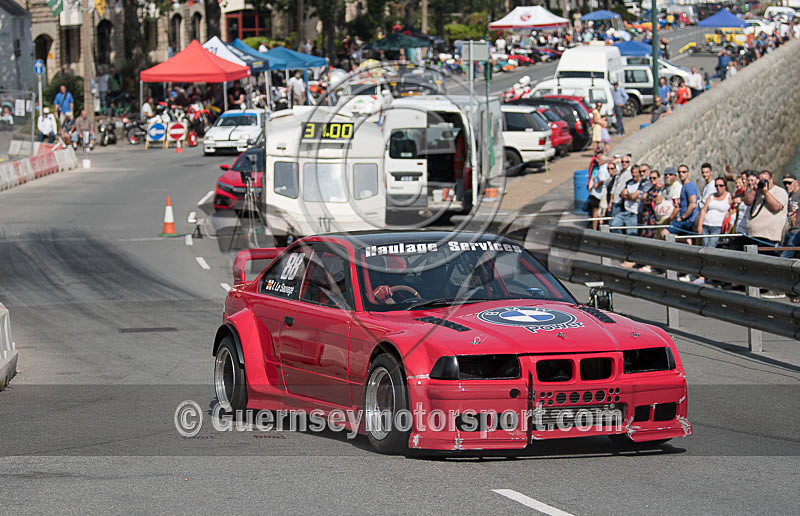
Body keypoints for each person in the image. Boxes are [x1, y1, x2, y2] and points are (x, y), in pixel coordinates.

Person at [745, 170, 788, 298]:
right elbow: (747, 201)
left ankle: (774, 289)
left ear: (771, 180)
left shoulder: (779, 192)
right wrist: (755, 189)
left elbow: (776, 207)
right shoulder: (757, 191)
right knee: (756, 264)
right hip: (753, 234)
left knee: (769, 263)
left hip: (769, 236)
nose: (763, 182)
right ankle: (760, 287)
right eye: (761, 179)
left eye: (765, 180)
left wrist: (765, 192)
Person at [665, 165, 698, 246]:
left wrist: (682, 217)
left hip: (686, 220)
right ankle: (687, 242)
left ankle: (687, 242)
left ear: (688, 173)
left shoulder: (689, 186)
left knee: (665, 233)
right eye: (679, 172)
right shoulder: (684, 186)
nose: (681, 174)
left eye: (684, 172)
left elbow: (693, 204)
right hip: (685, 219)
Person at [696, 177, 731, 250]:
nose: (718, 188)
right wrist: (700, 226)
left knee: (711, 247)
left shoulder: (728, 196)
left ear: (725, 186)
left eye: (721, 185)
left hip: (718, 226)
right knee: (704, 246)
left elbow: (732, 209)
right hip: (706, 225)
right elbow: (704, 210)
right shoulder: (711, 196)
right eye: (716, 185)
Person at [611, 165, 642, 236]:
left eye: (636, 172)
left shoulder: (641, 184)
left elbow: (634, 197)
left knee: (631, 233)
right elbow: (621, 194)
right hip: (626, 211)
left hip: (634, 212)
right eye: (632, 172)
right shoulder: (629, 182)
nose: (634, 174)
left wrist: (628, 195)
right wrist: (630, 196)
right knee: (614, 225)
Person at [586, 149, 611, 231]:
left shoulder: (603, 168)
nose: (598, 156)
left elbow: (602, 180)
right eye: (597, 153)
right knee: (597, 211)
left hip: (599, 193)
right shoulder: (598, 166)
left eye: (600, 153)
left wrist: (597, 185)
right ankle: (596, 228)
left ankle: (596, 229)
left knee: (598, 212)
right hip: (597, 193)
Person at [780, 173, 800, 261]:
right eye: (785, 183)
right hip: (789, 230)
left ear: (796, 182)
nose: (787, 185)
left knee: (785, 257)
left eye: (789, 183)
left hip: (797, 231)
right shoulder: (789, 196)